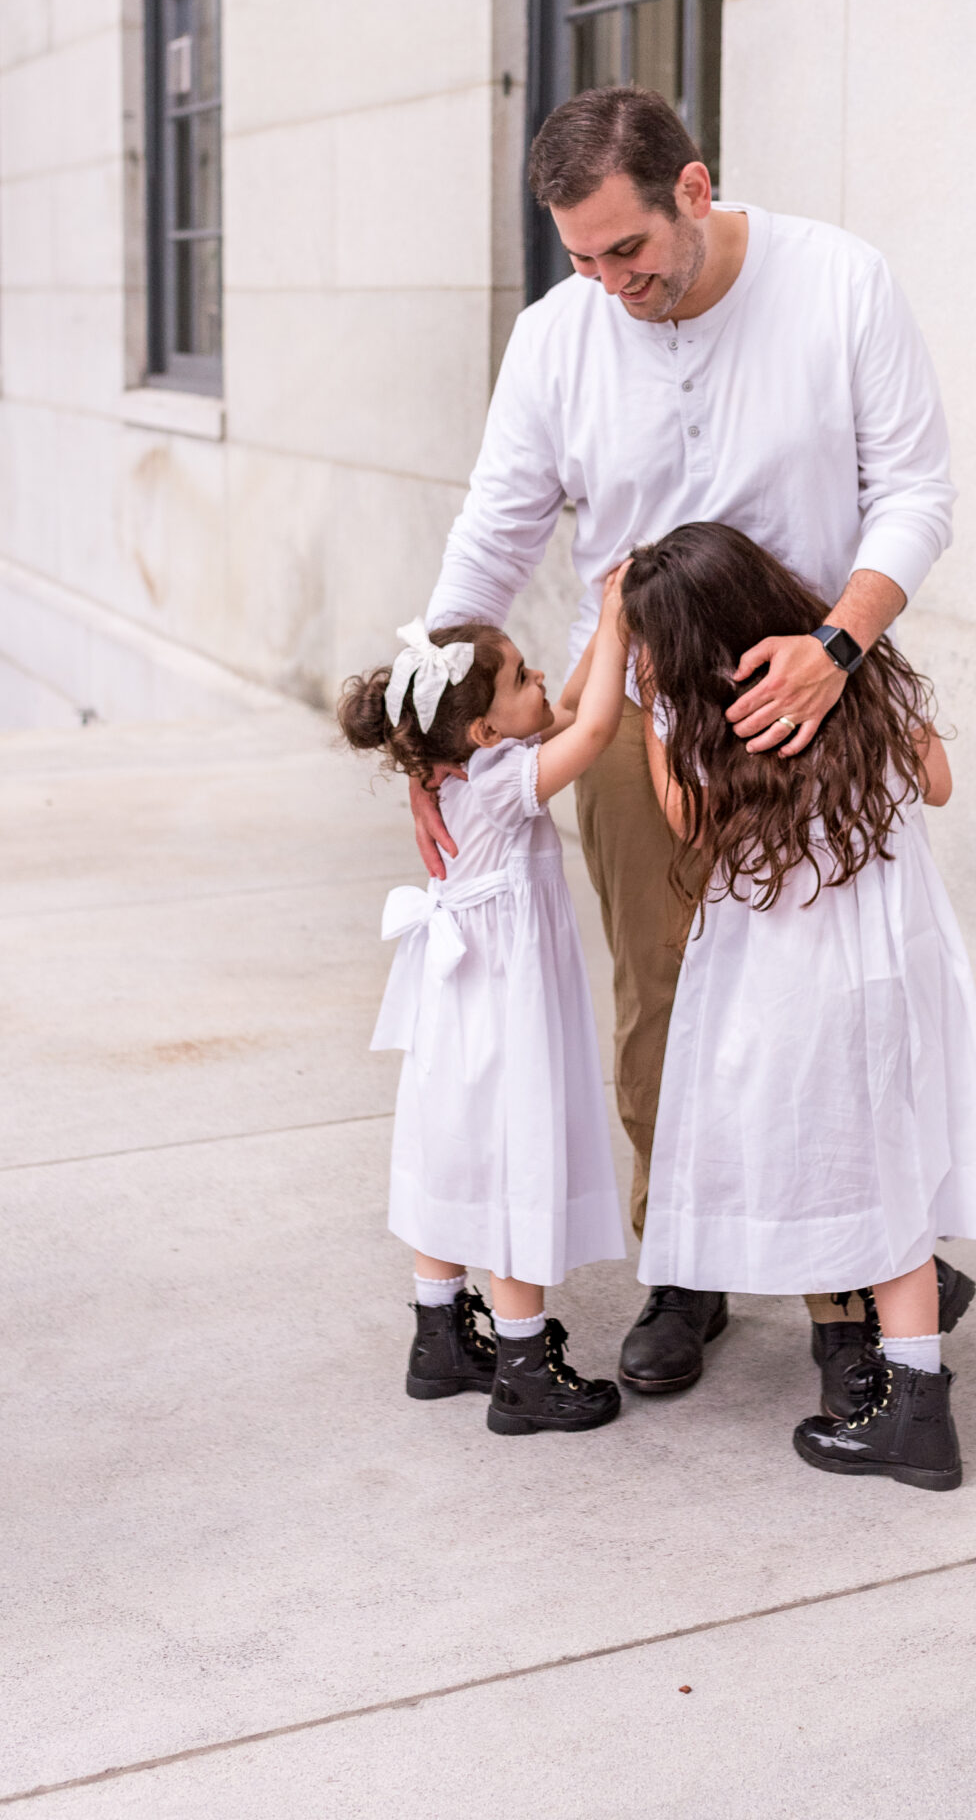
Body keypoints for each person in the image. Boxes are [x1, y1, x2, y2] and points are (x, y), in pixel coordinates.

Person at [418, 84, 973, 1409]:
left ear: (695, 188)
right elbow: (493, 534)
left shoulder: (839, 284)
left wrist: (838, 650)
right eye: (582, 259)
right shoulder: (559, 339)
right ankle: (687, 1262)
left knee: (825, 1005)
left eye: (629, 251)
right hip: (633, 708)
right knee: (660, 989)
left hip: (812, 687)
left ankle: (854, 1294)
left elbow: (915, 491)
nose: (612, 284)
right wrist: (426, 738)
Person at [623, 522, 976, 1491]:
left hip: (790, 990)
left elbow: (687, 821)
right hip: (890, 968)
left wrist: (656, 716)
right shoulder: (861, 673)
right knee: (887, 1170)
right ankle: (910, 1371)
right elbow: (940, 784)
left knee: (829, 1169)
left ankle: (914, 1416)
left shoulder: (701, 717)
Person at [338, 578, 631, 1438]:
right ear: (482, 729)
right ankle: (523, 1368)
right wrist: (615, 619)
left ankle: (438, 1339)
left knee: (452, 1151)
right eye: (519, 679)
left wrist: (597, 650)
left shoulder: (471, 768)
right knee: (513, 1161)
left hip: (454, 1008)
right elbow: (599, 725)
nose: (539, 678)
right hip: (505, 1012)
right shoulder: (505, 785)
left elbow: (572, 699)